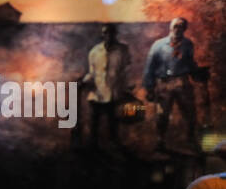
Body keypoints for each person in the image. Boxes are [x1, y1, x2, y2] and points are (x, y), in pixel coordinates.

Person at [142, 17, 206, 152]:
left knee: (190, 112)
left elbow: (189, 63)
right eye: (175, 26)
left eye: (181, 26)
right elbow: (150, 66)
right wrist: (149, 87)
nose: (178, 29)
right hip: (164, 84)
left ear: (185, 29)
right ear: (170, 27)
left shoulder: (188, 44)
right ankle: (160, 141)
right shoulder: (158, 45)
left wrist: (197, 72)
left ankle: (190, 140)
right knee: (161, 114)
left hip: (182, 82)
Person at [79, 23, 131, 151]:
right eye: (106, 33)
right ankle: (93, 148)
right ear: (103, 34)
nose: (109, 36)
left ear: (115, 34)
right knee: (94, 121)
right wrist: (84, 82)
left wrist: (126, 88)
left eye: (111, 33)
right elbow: (92, 73)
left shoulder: (123, 50)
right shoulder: (95, 51)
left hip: (114, 92)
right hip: (98, 92)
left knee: (113, 122)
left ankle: (114, 146)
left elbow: (126, 71)